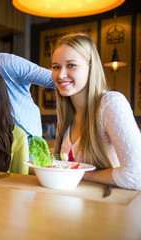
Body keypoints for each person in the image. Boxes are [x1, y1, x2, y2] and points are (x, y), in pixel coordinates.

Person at [51, 33, 141, 191]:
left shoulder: (111, 103)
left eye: (71, 65)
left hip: (112, 208)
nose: (61, 74)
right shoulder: (67, 115)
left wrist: (85, 174)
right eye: (56, 67)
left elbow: (136, 175)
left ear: (91, 68)